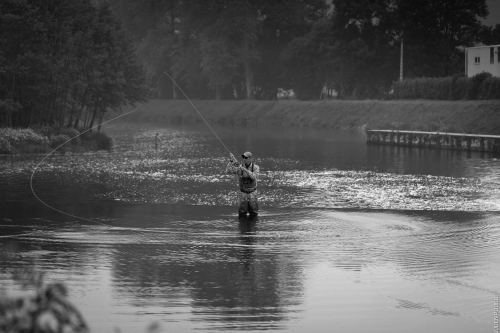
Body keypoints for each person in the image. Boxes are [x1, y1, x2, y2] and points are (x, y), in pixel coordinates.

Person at [226, 151, 260, 216]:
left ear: (250, 159)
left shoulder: (256, 168)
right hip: (242, 193)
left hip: (252, 192)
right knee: (242, 213)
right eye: (243, 157)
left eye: (246, 158)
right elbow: (228, 171)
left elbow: (253, 177)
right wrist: (231, 161)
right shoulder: (239, 167)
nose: (244, 159)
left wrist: (244, 169)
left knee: (254, 213)